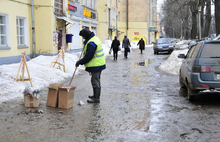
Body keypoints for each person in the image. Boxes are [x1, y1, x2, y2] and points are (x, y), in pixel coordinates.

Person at [75, 28, 106, 103]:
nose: (82, 38)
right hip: (99, 64)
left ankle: (96, 98)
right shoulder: (94, 39)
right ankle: (95, 96)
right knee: (95, 80)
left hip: (96, 65)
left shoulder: (91, 43)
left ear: (85, 35)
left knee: (95, 81)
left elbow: (89, 56)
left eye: (83, 36)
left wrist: (80, 62)